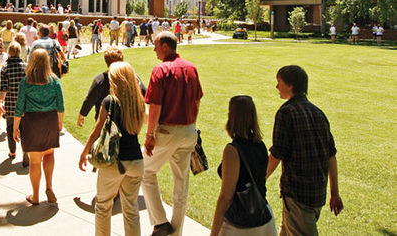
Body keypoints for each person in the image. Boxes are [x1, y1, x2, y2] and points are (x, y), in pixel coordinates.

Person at [267, 65, 343, 236]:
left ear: (290, 85)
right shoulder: (319, 113)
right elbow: (331, 154)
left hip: (297, 195)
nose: (276, 87)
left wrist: (259, 178)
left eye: (279, 83)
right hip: (317, 194)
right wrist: (334, 193)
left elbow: (277, 153)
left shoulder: (286, 113)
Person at [142, 31, 204, 236]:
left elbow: (155, 106)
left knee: (145, 171)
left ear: (165, 46)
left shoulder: (160, 70)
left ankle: (160, 223)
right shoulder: (191, 68)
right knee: (181, 184)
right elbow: (197, 100)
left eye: (156, 45)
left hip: (167, 131)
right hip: (188, 131)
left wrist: (150, 135)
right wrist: (191, 124)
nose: (154, 49)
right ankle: (175, 233)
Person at [79, 62, 146, 236]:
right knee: (131, 209)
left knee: (103, 206)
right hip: (136, 160)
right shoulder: (138, 101)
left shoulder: (110, 101)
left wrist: (84, 152)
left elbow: (96, 131)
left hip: (114, 162)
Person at [210, 96, 277, 236]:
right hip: (265, 219)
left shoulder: (232, 150)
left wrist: (213, 233)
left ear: (231, 116)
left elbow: (226, 198)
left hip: (241, 225)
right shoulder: (260, 145)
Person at [13, 49, 64, 205]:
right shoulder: (54, 80)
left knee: (35, 162)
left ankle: (35, 195)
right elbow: (61, 105)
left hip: (32, 121)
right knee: (49, 154)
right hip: (50, 119)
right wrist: (59, 122)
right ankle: (49, 186)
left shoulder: (26, 81)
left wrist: (15, 128)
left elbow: (19, 107)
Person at [77, 46, 146, 127]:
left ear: (106, 61)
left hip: (105, 124)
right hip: (127, 122)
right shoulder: (132, 78)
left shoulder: (100, 80)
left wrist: (82, 114)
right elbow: (146, 95)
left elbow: (90, 99)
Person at [0, 42, 29, 166]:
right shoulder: (25, 67)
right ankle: (25, 151)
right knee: (24, 129)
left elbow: (4, 87)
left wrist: (1, 101)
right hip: (24, 104)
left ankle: (12, 151)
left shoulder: (5, 67)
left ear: (9, 53)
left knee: (10, 127)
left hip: (11, 103)